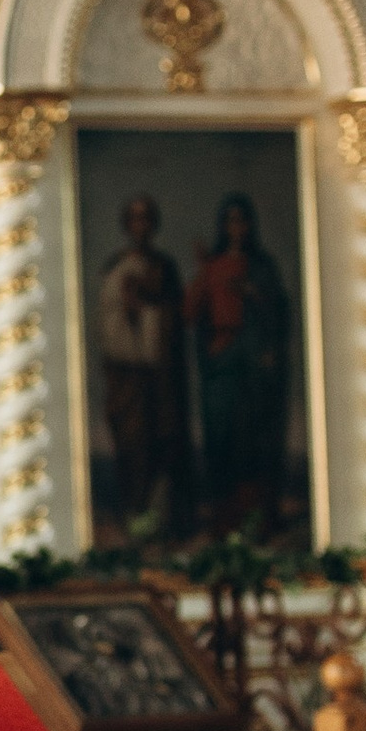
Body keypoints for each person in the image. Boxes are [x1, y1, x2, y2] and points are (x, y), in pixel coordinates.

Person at [184, 191, 293, 534]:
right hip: (220, 361)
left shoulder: (263, 266)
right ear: (223, 226)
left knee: (252, 436)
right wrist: (206, 278)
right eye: (230, 221)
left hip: (253, 366)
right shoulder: (212, 266)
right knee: (220, 435)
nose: (237, 228)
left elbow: (277, 312)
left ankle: (255, 516)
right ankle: (223, 516)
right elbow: (191, 314)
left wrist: (252, 294)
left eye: (242, 220)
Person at [93, 192, 188, 532]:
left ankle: (161, 516)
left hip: (159, 376)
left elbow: (174, 317)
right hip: (125, 374)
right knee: (131, 442)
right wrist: (130, 308)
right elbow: (109, 318)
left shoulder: (165, 267)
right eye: (135, 218)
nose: (141, 225)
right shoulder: (115, 265)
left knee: (161, 439)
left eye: (146, 218)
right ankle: (131, 512)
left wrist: (148, 309)